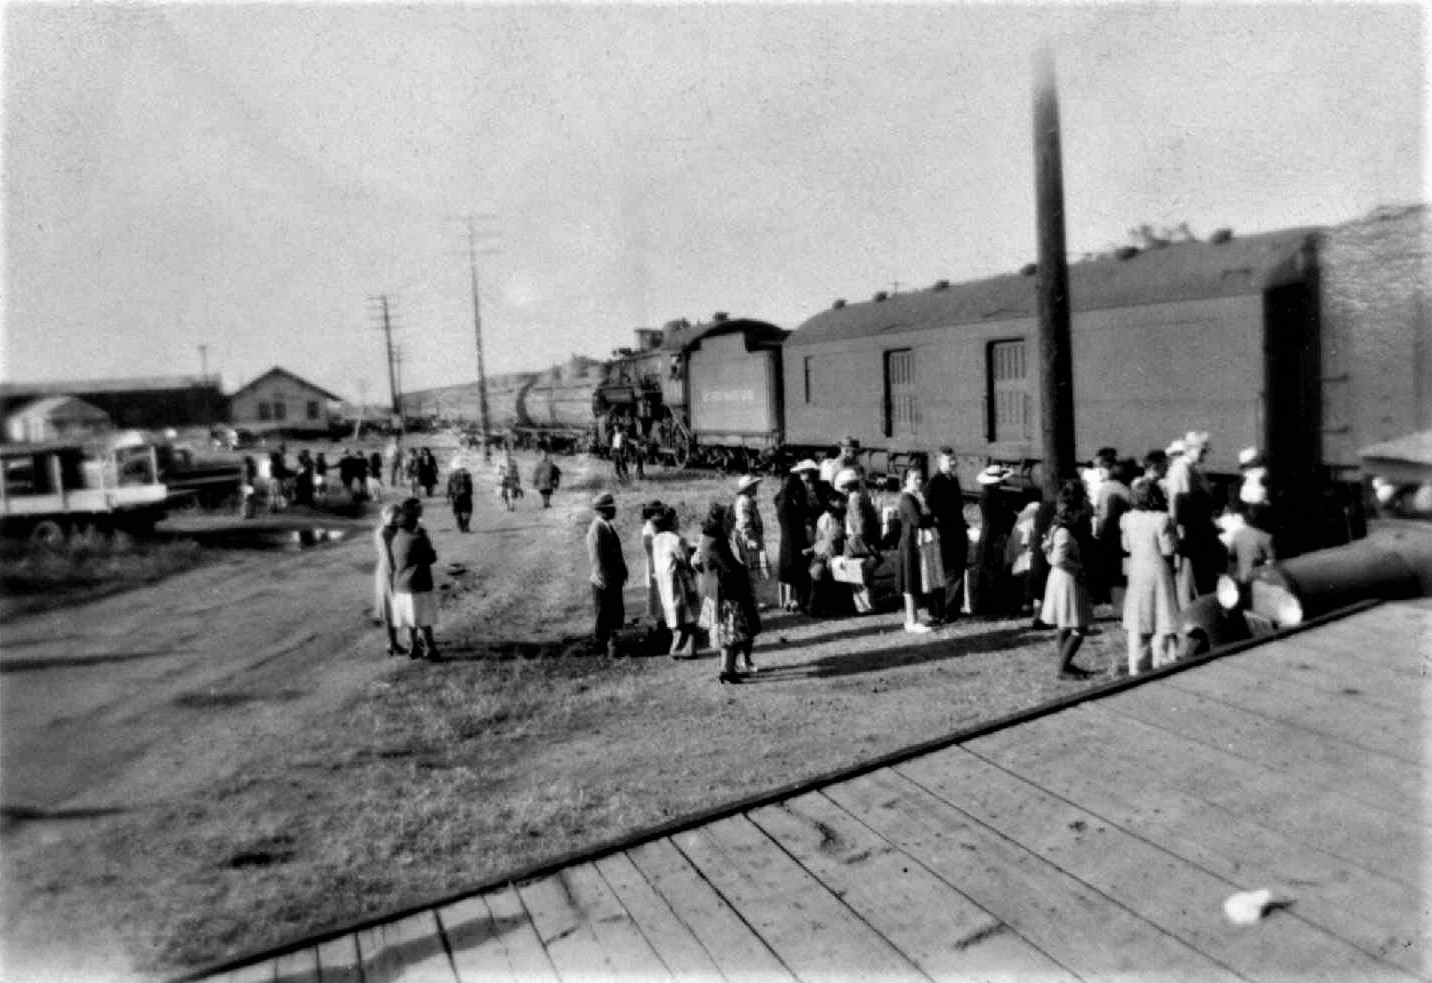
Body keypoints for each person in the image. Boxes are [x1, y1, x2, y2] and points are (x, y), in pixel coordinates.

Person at [694, 502, 761, 682]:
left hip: (718, 591)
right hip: (725, 593)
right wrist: (743, 570)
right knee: (730, 635)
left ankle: (728, 669)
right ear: (721, 521)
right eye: (729, 520)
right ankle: (727, 671)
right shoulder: (716, 542)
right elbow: (729, 567)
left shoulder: (708, 538)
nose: (731, 523)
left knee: (728, 635)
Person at [1120, 478, 1181, 675]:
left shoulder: (1127, 519)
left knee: (1139, 620)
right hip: (1158, 572)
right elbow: (1168, 549)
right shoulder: (1162, 519)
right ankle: (1161, 662)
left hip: (1137, 571)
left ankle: (1136, 667)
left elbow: (1126, 546)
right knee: (1162, 617)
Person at [1042, 482, 1095, 680]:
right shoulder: (1064, 532)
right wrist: (1078, 567)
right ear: (1071, 513)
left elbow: (1050, 556)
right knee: (1079, 625)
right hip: (1067, 580)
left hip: (1058, 578)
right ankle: (1063, 667)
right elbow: (1059, 559)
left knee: (1064, 623)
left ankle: (1065, 662)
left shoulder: (1054, 528)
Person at [1167, 431, 1221, 604]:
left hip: (1193, 529)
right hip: (1188, 530)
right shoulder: (1182, 469)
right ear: (1193, 449)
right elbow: (1179, 503)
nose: (1204, 455)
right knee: (1187, 576)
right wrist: (1177, 532)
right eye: (1202, 451)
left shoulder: (1190, 469)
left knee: (1192, 575)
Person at [923, 447, 969, 623]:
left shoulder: (952, 479)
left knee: (956, 570)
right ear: (939, 462)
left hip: (957, 532)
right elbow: (930, 509)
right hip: (946, 534)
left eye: (954, 459)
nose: (954, 463)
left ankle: (953, 609)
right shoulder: (934, 484)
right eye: (950, 460)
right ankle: (946, 611)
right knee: (949, 572)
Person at [390, 497, 439, 660]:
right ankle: (430, 649)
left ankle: (413, 646)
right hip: (418, 584)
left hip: (401, 585)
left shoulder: (396, 539)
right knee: (424, 619)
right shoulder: (418, 539)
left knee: (410, 619)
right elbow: (431, 557)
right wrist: (425, 538)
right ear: (413, 523)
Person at [650, 506, 698, 657]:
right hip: (680, 581)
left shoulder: (656, 539)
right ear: (670, 522)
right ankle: (684, 648)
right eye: (676, 519)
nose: (678, 521)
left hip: (665, 584)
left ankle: (679, 646)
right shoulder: (676, 539)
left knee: (674, 615)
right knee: (689, 616)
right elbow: (685, 560)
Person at [586, 492, 628, 657]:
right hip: (604, 581)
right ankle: (600, 650)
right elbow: (596, 557)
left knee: (614, 614)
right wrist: (603, 579)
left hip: (612, 579)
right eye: (611, 508)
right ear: (603, 510)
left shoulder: (605, 526)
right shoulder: (597, 528)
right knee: (603, 616)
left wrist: (622, 571)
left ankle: (612, 649)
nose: (614, 511)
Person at [896, 466, 937, 633]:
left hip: (914, 543)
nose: (919, 482)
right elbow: (917, 521)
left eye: (921, 478)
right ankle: (912, 621)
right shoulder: (907, 498)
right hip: (909, 545)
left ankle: (913, 619)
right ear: (906, 480)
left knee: (913, 581)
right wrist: (933, 519)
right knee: (910, 583)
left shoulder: (915, 496)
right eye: (915, 478)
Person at [970, 465, 1015, 616]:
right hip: (992, 537)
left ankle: (990, 606)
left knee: (991, 570)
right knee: (994, 571)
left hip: (989, 536)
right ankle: (994, 606)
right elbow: (999, 519)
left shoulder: (988, 494)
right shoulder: (991, 497)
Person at [1091, 452, 1133, 607]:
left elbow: (1099, 511)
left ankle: (1106, 598)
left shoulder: (1104, 488)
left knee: (1107, 566)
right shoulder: (1124, 489)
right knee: (1118, 568)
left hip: (1106, 530)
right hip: (1119, 532)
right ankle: (1118, 600)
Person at [838, 469, 881, 614]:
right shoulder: (863, 497)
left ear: (847, 486)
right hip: (865, 540)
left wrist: (855, 541)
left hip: (857, 540)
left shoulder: (854, 500)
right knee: (865, 574)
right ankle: (868, 605)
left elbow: (860, 523)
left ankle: (864, 607)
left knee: (856, 574)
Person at [775, 467, 815, 612]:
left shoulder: (782, 501)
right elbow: (798, 519)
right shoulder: (787, 504)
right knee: (795, 571)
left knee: (790, 571)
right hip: (793, 541)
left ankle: (790, 600)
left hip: (788, 541)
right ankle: (795, 601)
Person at [372, 504, 407, 656]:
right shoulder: (383, 532)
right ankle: (392, 643)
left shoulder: (396, 529)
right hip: (389, 573)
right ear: (384, 516)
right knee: (391, 608)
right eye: (392, 516)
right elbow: (388, 557)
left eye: (397, 516)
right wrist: (397, 572)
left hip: (397, 570)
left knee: (401, 607)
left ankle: (405, 640)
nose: (395, 519)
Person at [809, 489, 851, 616]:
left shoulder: (837, 517)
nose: (842, 504)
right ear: (832, 502)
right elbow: (826, 539)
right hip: (825, 554)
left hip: (833, 553)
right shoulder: (826, 518)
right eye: (840, 501)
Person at [1228, 500, 1276, 585]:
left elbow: (1231, 556)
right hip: (1258, 577)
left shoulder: (1238, 534)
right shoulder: (1264, 536)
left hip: (1242, 577)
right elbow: (1271, 559)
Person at [732, 474, 768, 586]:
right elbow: (744, 523)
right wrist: (751, 540)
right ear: (749, 488)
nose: (756, 488)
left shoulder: (747, 500)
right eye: (754, 486)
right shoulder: (745, 502)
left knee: (754, 570)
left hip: (751, 538)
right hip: (749, 540)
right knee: (752, 570)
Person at [640, 499, 667, 623]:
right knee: (656, 597)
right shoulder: (648, 530)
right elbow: (652, 552)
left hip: (656, 564)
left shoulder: (654, 526)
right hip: (654, 566)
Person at [447, 466, 474, 532]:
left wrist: (448, 495)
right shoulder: (467, 475)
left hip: (455, 497)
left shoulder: (452, 476)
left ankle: (460, 524)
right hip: (466, 497)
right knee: (467, 511)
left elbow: (449, 487)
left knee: (457, 511)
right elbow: (470, 489)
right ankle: (466, 525)